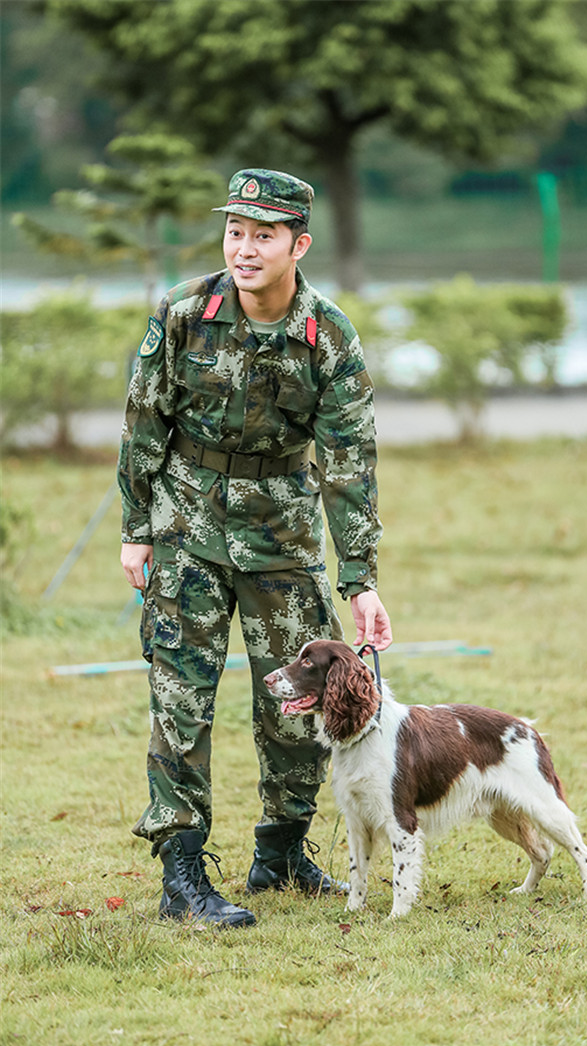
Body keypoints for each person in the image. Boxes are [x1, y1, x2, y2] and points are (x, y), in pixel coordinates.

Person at [118, 168, 392, 929]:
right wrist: (136, 530)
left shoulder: (327, 335)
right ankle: (181, 876)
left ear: (298, 244)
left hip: (281, 533)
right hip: (186, 528)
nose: (244, 248)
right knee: (181, 699)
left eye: (263, 235)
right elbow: (144, 420)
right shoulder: (183, 313)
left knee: (299, 706)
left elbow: (348, 459)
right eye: (235, 232)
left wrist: (360, 579)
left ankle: (280, 855)